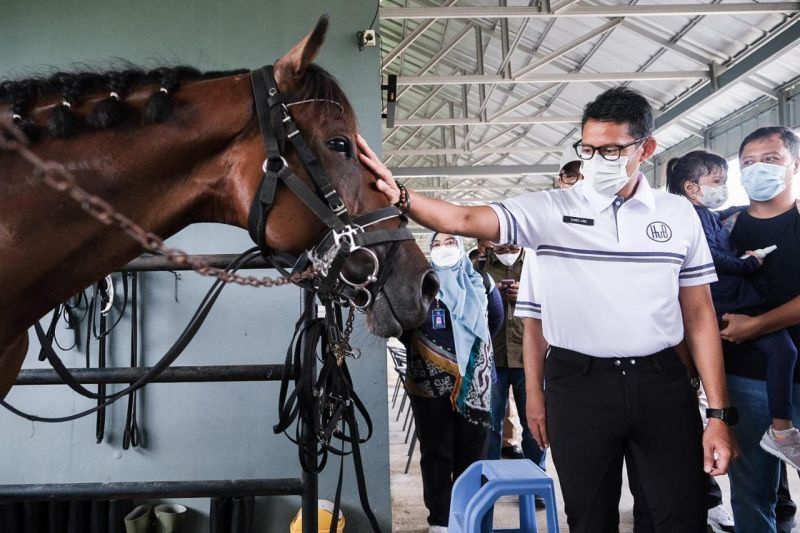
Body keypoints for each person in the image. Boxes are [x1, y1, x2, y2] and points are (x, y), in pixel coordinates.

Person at [360, 86, 737, 533]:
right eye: (589, 149)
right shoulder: (550, 210)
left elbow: (698, 315)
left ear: (646, 149)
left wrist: (718, 414)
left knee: (678, 515)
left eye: (612, 150)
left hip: (661, 383)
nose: (599, 161)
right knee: (588, 516)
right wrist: (400, 195)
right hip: (579, 385)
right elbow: (463, 219)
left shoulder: (677, 215)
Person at [666, 150, 799, 469]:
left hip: (729, 299)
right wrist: (747, 263)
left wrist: (754, 208)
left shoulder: (707, 214)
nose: (723, 187)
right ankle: (781, 430)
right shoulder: (690, 217)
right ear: (692, 188)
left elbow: (727, 213)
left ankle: (781, 429)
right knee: (783, 352)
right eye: (717, 181)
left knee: (782, 351)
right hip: (725, 302)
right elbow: (710, 257)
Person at [715, 126, 800, 533]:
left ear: (794, 165)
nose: (757, 169)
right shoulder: (723, 228)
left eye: (771, 160)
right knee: (750, 494)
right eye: (748, 162)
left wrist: (758, 325)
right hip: (743, 378)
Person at [400, 232, 504, 533]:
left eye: (449, 242)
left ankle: (467, 516)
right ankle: (441, 521)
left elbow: (494, 322)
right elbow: (403, 328)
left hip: (474, 382)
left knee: (472, 452)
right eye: (436, 244)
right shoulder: (419, 286)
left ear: (461, 248)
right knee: (435, 452)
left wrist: (467, 354)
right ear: (428, 251)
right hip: (428, 383)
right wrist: (431, 352)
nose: (443, 248)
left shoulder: (481, 283)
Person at [481, 242, 547, 475]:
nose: (506, 245)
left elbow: (555, 303)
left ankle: (535, 477)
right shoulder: (479, 267)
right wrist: (492, 295)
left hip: (528, 358)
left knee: (535, 424)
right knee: (490, 425)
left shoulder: (537, 265)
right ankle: (489, 477)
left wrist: (528, 295)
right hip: (492, 358)